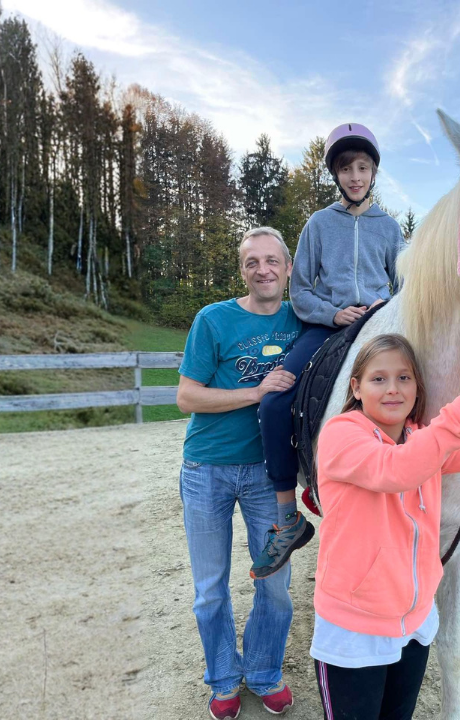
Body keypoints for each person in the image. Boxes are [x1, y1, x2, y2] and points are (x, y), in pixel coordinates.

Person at [310, 326, 460, 719]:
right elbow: (398, 470)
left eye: (404, 378)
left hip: (414, 624)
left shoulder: (423, 441)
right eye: (379, 379)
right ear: (356, 387)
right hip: (354, 631)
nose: (393, 389)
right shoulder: (340, 435)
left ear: (417, 388)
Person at [252, 122, 407, 580]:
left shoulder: (390, 228)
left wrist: (386, 307)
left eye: (362, 168)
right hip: (327, 326)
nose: (355, 176)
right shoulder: (319, 224)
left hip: (382, 323)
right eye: (346, 169)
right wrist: (334, 313)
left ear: (373, 172)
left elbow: (406, 286)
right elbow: (300, 290)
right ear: (336, 175)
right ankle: (288, 517)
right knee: (274, 400)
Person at [175, 227, 303, 719]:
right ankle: (224, 679)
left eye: (272, 261)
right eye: (253, 262)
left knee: (275, 585)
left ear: (288, 268)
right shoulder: (213, 319)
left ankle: (265, 672)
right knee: (211, 588)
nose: (263, 270)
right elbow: (187, 396)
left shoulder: (301, 318)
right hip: (206, 468)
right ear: (242, 271)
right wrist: (257, 392)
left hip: (269, 475)